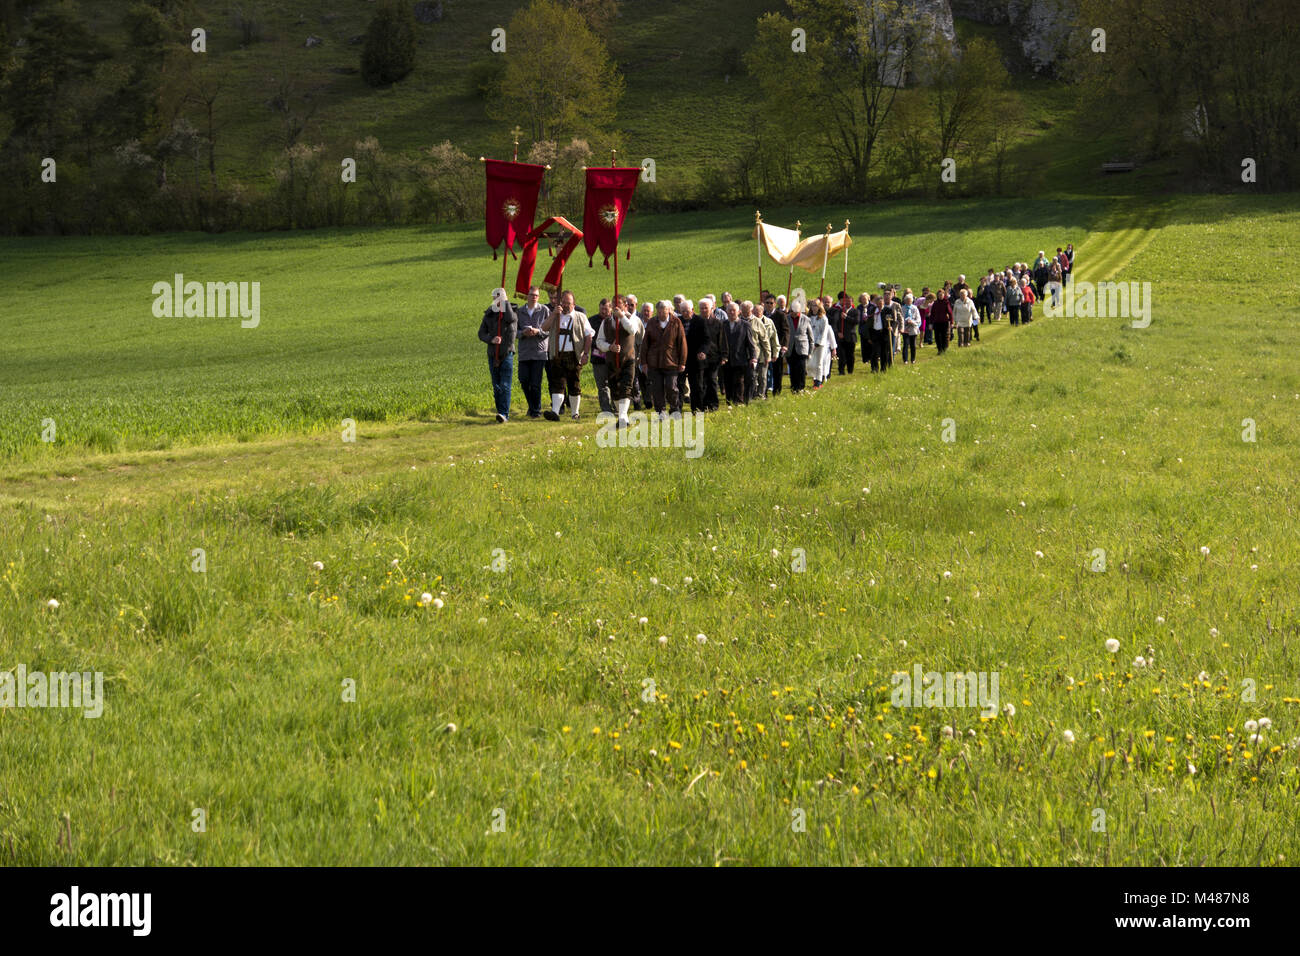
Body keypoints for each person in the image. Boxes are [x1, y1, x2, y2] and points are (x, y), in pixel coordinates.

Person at [541, 290, 592, 421]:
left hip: (575, 356)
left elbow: (588, 336)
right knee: (558, 384)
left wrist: (585, 354)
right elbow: (544, 328)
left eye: (568, 303)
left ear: (574, 304)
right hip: (557, 356)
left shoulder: (581, 317)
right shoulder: (555, 315)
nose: (565, 305)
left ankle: (575, 413)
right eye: (563, 302)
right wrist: (553, 314)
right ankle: (555, 412)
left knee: (574, 384)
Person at [598, 300, 642, 429]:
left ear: (625, 306)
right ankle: (623, 416)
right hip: (611, 360)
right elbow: (599, 341)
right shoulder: (606, 322)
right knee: (614, 389)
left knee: (626, 386)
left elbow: (633, 330)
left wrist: (622, 317)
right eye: (614, 305)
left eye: (619, 305)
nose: (616, 307)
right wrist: (609, 347)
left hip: (628, 359)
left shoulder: (631, 318)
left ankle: (622, 416)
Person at [642, 299, 687, 418]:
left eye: (664, 311)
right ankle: (661, 411)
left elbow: (682, 343)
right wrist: (644, 362)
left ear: (669, 310)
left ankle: (674, 407)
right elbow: (645, 344)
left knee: (671, 387)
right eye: (659, 311)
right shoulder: (652, 322)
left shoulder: (676, 322)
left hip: (671, 361)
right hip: (654, 362)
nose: (661, 314)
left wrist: (682, 362)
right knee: (657, 389)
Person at [478, 288, 518, 423]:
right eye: (495, 298)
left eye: (499, 298)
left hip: (506, 353)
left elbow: (510, 319)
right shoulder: (489, 314)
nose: (497, 300)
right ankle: (500, 411)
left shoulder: (511, 312)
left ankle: (504, 414)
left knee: (505, 384)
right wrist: (491, 339)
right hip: (492, 354)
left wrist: (505, 302)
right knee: (497, 386)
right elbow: (481, 333)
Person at [514, 285, 549, 418]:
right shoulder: (519, 312)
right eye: (531, 295)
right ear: (526, 296)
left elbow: (549, 330)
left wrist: (538, 332)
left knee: (535, 383)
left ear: (538, 297)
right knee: (523, 380)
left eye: (536, 295)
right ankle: (532, 406)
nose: (533, 297)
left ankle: (536, 411)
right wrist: (522, 333)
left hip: (539, 352)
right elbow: (514, 332)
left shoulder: (544, 310)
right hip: (524, 352)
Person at [719, 302, 756, 405]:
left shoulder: (745, 325)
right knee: (727, 381)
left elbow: (750, 343)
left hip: (740, 358)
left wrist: (753, 357)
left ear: (739, 312)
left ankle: (738, 402)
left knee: (739, 381)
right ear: (726, 312)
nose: (731, 312)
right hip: (726, 359)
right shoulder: (722, 325)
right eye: (729, 310)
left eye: (733, 310)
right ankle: (729, 402)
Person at [589, 298, 616, 414]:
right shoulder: (592, 320)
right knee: (602, 385)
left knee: (614, 383)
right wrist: (597, 347)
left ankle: (616, 408)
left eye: (606, 309)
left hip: (612, 357)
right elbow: (589, 338)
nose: (603, 311)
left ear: (611, 309)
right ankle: (606, 409)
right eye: (601, 309)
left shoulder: (614, 320)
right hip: (598, 357)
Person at [741, 300, 770, 401]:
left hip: (757, 355)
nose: (745, 314)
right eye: (743, 312)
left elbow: (765, 340)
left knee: (760, 377)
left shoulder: (757, 322)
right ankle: (749, 395)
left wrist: (768, 355)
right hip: (742, 355)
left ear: (751, 310)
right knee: (747, 378)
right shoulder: (739, 321)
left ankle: (759, 395)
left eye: (747, 312)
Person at [766, 293, 789, 396]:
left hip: (777, 346)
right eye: (767, 303)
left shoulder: (781, 315)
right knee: (765, 371)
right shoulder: (762, 315)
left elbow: (786, 331)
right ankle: (764, 391)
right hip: (765, 347)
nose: (769, 305)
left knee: (777, 371)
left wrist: (784, 345)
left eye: (771, 303)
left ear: (775, 304)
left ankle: (777, 391)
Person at [807, 302, 835, 388]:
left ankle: (818, 382)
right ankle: (814, 378)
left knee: (819, 363)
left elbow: (823, 332)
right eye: (812, 306)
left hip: (820, 344)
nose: (814, 307)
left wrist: (817, 343)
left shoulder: (823, 318)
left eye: (816, 305)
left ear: (819, 307)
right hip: (810, 343)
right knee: (809, 364)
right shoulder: (808, 318)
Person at [831, 290, 857, 375]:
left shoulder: (855, 311)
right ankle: (841, 371)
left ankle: (850, 370)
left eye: (849, 302)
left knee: (850, 355)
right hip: (841, 336)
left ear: (852, 302)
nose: (847, 303)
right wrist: (838, 332)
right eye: (846, 301)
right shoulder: (839, 311)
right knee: (841, 355)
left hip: (850, 336)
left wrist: (846, 317)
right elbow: (835, 322)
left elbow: (856, 321)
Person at [873, 290, 899, 372]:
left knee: (884, 352)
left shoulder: (888, 310)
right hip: (875, 333)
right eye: (878, 303)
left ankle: (883, 368)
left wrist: (891, 326)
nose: (880, 305)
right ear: (876, 304)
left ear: (883, 303)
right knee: (875, 352)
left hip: (884, 333)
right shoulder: (873, 311)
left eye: (881, 303)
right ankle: (874, 368)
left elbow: (892, 320)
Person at [899, 293, 921, 364]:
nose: (908, 302)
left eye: (910, 300)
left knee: (913, 345)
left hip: (913, 328)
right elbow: (900, 318)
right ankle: (905, 359)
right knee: (905, 344)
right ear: (905, 301)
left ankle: (913, 359)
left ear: (912, 301)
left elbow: (918, 319)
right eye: (907, 300)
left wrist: (912, 322)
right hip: (905, 328)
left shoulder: (915, 308)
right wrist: (905, 322)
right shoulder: (902, 308)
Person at [929, 287, 952, 354]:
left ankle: (944, 349)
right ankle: (939, 349)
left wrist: (951, 322)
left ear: (943, 295)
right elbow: (932, 314)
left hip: (944, 322)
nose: (940, 296)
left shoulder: (946, 302)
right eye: (939, 295)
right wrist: (930, 323)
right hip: (936, 323)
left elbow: (950, 313)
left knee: (944, 336)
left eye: (941, 295)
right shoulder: (935, 303)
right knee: (937, 337)